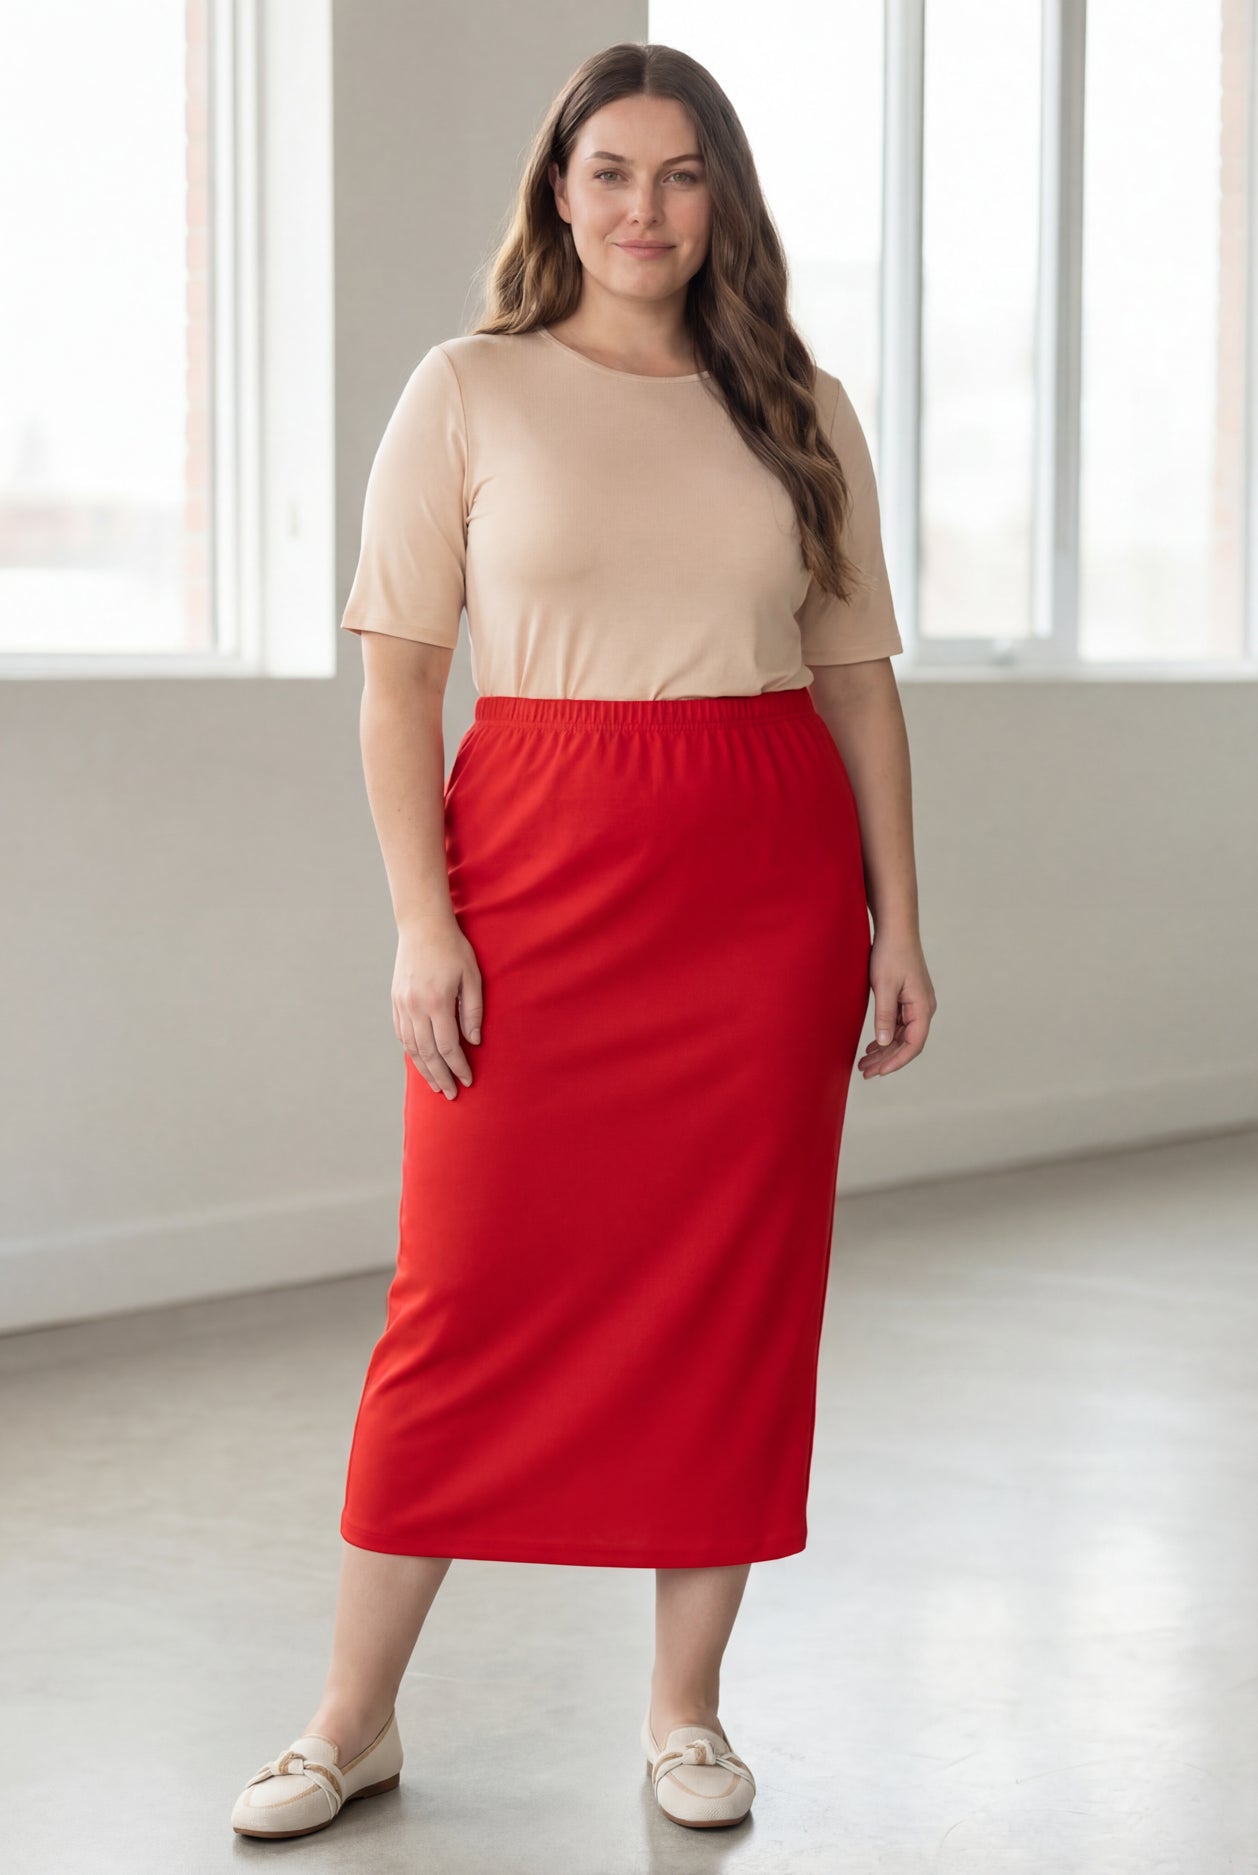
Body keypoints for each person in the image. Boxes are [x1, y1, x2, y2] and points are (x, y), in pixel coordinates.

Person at [231, 40, 936, 1843]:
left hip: (760, 888)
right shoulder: (466, 390)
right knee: (458, 1298)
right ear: (559, 189)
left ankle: (685, 1717)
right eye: (611, 171)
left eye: (681, 173)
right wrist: (422, 920)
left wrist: (899, 924)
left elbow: (855, 686)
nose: (645, 207)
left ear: (723, 199)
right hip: (534, 863)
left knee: (732, 1297)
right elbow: (397, 685)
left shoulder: (799, 405)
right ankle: (351, 1717)